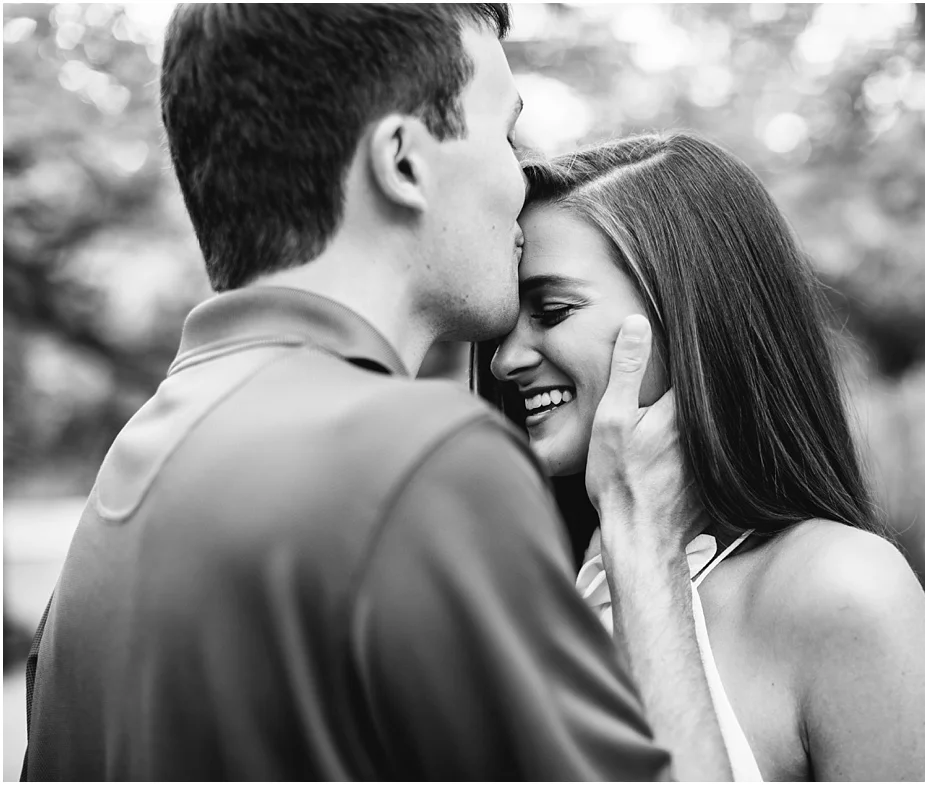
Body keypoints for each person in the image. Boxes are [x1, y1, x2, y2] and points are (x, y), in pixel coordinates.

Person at [22, 6, 732, 781]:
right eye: (502, 134)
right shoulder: (419, 461)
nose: (519, 178)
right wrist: (641, 529)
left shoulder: (121, 490)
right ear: (403, 162)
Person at [480, 132, 925, 781]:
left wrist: (645, 544)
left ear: (687, 317)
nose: (503, 359)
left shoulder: (844, 589)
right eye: (506, 322)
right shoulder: (565, 582)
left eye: (551, 309)